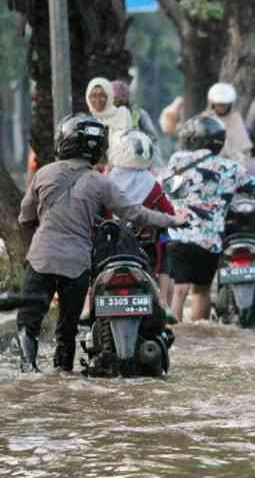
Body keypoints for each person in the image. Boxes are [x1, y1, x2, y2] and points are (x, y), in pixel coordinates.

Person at [15, 114, 188, 373]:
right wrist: (173, 220)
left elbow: (25, 217)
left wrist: (34, 247)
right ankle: (63, 372)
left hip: (41, 259)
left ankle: (29, 369)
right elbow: (135, 213)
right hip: (77, 264)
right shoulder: (100, 181)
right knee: (68, 327)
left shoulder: (43, 174)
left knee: (28, 322)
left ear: (64, 141)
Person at [163, 115, 255, 322]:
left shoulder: (176, 162)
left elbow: (165, 191)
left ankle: (178, 338)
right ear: (218, 141)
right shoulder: (230, 168)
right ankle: (199, 332)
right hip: (209, 241)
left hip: (177, 236)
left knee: (179, 290)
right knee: (201, 291)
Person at [107, 130, 175, 276]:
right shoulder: (151, 183)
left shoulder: (105, 179)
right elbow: (169, 211)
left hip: (110, 245)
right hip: (145, 249)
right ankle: (162, 298)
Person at [204, 82, 254, 170]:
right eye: (219, 104)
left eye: (224, 105)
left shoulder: (235, 118)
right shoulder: (206, 118)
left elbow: (243, 146)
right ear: (213, 104)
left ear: (229, 104)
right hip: (210, 162)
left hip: (233, 163)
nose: (221, 107)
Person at [110, 80, 161, 166]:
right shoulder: (103, 116)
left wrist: (155, 164)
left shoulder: (139, 115)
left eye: (121, 101)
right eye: (115, 101)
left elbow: (153, 140)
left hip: (136, 163)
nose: (118, 104)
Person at [86, 77, 132, 155]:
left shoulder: (122, 114)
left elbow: (127, 145)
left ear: (110, 96)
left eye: (102, 95)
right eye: (93, 95)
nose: (98, 99)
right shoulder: (86, 120)